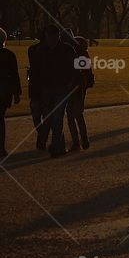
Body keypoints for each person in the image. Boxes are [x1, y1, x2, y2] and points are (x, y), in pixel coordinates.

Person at [31, 25, 77, 158]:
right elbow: (35, 73)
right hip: (46, 89)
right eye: (50, 38)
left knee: (57, 118)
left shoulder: (66, 49)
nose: (52, 40)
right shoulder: (40, 51)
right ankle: (49, 142)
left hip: (62, 88)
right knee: (49, 118)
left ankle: (56, 146)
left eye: (54, 37)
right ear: (45, 37)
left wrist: (71, 84)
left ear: (58, 37)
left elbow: (76, 67)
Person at [67, 36, 94, 151]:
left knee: (72, 115)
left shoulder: (79, 54)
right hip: (77, 88)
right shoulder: (81, 54)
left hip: (76, 89)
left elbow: (82, 72)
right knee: (75, 114)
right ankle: (81, 139)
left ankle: (79, 141)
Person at [0, 28, 22, 158]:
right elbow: (14, 75)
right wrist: (16, 93)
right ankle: (1, 148)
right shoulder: (8, 54)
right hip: (4, 89)